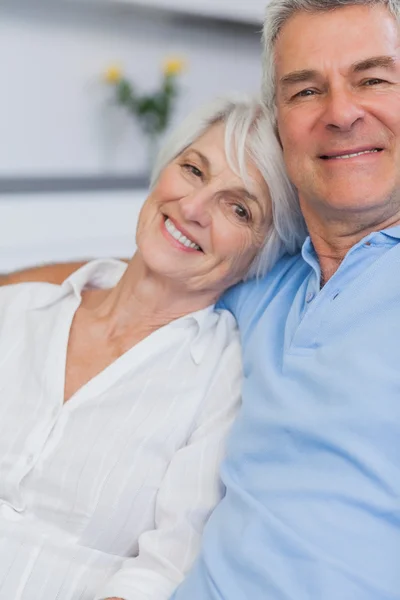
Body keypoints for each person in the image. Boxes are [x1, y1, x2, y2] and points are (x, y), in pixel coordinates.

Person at [0, 97, 305, 600]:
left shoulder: (223, 382)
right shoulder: (18, 311)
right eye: (192, 170)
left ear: (261, 255)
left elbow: (166, 567)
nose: (192, 208)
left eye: (238, 208)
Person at [168, 1, 400, 599]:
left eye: (372, 79)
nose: (341, 113)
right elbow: (136, 279)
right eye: (305, 91)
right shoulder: (253, 280)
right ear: (278, 125)